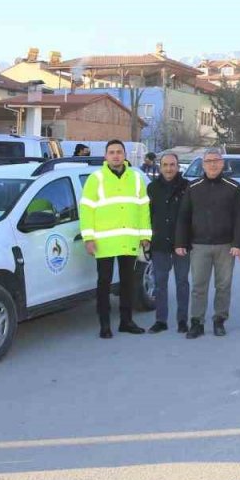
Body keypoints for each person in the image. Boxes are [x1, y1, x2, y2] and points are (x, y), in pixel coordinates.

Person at [79, 140, 152, 338]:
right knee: (104, 283)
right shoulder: (96, 179)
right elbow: (86, 209)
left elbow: (144, 208)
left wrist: (145, 235)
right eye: (111, 152)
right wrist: (88, 237)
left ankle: (126, 322)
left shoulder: (135, 179)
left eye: (119, 152)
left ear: (125, 155)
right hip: (104, 242)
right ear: (106, 156)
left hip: (129, 240)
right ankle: (104, 325)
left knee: (128, 283)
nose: (116, 155)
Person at [175, 148, 240, 339]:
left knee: (223, 285)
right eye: (208, 161)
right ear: (203, 164)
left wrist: (238, 243)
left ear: (222, 163)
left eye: (216, 160)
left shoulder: (233, 187)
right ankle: (197, 322)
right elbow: (183, 216)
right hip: (199, 245)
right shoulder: (193, 187)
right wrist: (180, 242)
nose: (213, 164)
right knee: (199, 286)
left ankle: (219, 320)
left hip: (226, 245)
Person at [147, 152, 190, 333]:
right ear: (160, 166)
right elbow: (148, 215)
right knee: (160, 284)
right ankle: (161, 321)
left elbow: (191, 217)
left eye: (172, 165)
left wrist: (186, 240)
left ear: (178, 166)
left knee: (182, 282)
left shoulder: (188, 187)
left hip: (181, 244)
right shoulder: (152, 188)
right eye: (165, 165)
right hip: (159, 243)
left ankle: (182, 321)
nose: (169, 168)